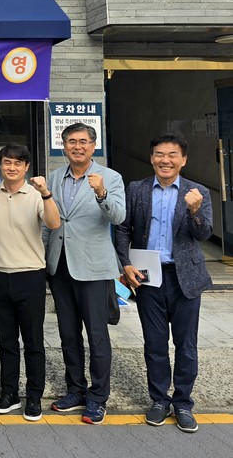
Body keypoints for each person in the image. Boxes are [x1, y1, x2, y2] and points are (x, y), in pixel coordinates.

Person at [115, 133, 213, 433]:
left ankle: (183, 402)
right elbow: (123, 228)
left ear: (183, 160)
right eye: (159, 154)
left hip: (185, 278)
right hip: (148, 277)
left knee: (186, 345)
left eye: (172, 155)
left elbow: (204, 234)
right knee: (155, 343)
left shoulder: (198, 192)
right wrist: (125, 264)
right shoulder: (137, 189)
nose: (165, 160)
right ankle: (159, 400)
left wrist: (195, 211)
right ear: (151, 158)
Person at [44, 122, 126, 425]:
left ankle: (98, 396)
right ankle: (75, 389)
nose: (77, 147)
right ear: (63, 145)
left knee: (97, 335)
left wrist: (102, 193)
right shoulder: (55, 177)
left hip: (93, 267)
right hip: (60, 264)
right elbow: (49, 221)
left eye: (83, 142)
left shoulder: (110, 177)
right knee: (68, 334)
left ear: (93, 146)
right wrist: (43, 259)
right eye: (71, 141)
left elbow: (118, 217)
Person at [0, 144, 60, 421]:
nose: (12, 167)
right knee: (6, 341)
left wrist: (46, 193)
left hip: (30, 275)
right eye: (7, 162)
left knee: (33, 340)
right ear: (1, 165)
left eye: (18, 163)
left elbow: (53, 223)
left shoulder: (37, 195)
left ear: (26, 167)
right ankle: (9, 393)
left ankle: (34, 396)